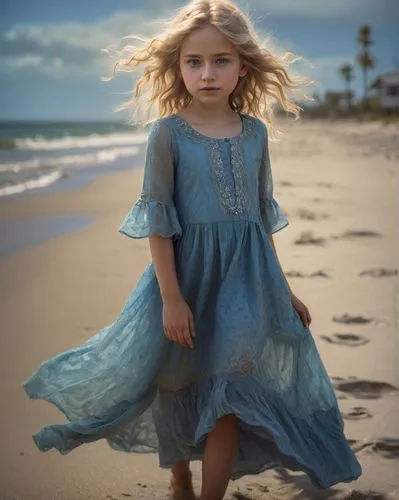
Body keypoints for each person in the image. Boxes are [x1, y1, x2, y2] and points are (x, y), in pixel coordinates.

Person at [24, 1, 362, 499]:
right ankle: (179, 471)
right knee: (177, 383)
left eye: (221, 61)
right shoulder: (167, 135)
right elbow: (159, 223)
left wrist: (282, 290)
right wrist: (173, 299)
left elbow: (259, 220)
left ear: (242, 66)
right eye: (194, 62)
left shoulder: (255, 134)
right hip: (184, 280)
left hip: (248, 283)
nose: (207, 73)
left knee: (228, 390)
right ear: (178, 67)